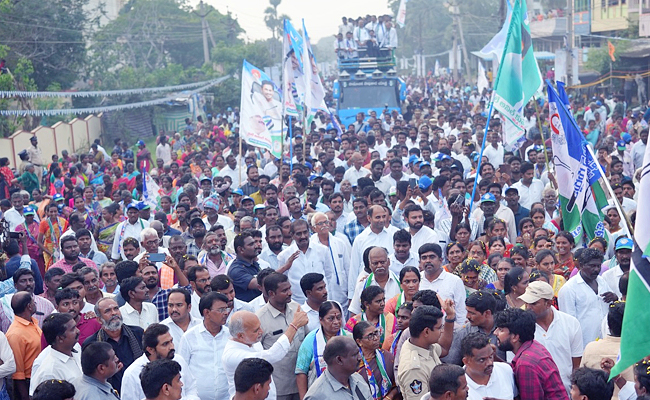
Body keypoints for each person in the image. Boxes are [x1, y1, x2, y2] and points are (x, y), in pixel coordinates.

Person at [222, 307, 309, 400]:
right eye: (256, 330)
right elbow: (272, 355)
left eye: (260, 327)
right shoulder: (231, 355)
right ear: (240, 335)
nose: (261, 331)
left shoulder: (252, 342)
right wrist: (294, 325)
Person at [520, 280, 583, 392]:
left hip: (565, 391)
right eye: (526, 303)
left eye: (533, 303)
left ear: (548, 303)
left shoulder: (571, 323)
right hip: (533, 391)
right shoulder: (519, 327)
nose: (528, 307)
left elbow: (576, 364)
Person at [493, 308, 568, 400]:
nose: (495, 332)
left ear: (515, 337)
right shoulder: (533, 346)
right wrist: (495, 359)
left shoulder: (526, 364)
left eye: (501, 330)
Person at [255, 273, 308, 400]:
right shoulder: (259, 319)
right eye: (285, 290)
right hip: (279, 388)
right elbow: (259, 356)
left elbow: (307, 339)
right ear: (271, 293)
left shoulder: (297, 308)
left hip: (302, 382)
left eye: (289, 288)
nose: (290, 293)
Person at [121, 324, 198, 400]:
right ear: (150, 349)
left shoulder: (178, 360)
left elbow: (191, 388)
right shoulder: (132, 374)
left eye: (171, 341)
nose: (172, 347)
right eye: (165, 344)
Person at [83, 298, 145, 392]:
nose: (114, 313)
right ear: (99, 320)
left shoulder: (138, 333)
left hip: (140, 389)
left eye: (116, 309)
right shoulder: (91, 344)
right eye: (108, 311)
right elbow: (90, 378)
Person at [558, 248, 617, 347]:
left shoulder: (602, 282)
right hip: (584, 345)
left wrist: (615, 298)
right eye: (592, 266)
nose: (596, 269)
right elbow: (568, 324)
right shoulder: (569, 289)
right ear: (581, 265)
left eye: (598, 266)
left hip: (606, 341)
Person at [178, 292, 231, 400]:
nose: (226, 313)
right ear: (206, 313)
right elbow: (181, 370)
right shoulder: (189, 337)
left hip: (227, 396)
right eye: (221, 310)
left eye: (226, 309)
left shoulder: (231, 335)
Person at [398, 304, 456, 400]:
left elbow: (443, 348)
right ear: (426, 332)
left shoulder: (424, 345)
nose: (442, 331)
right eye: (439, 328)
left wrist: (450, 318)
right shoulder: (414, 369)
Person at [277, 220, 333, 305]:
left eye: (305, 232)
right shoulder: (284, 255)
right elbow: (283, 281)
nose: (303, 236)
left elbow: (328, 275)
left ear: (309, 232)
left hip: (321, 302)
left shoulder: (322, 250)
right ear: (292, 235)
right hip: (297, 303)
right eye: (299, 234)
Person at [303, 336, 372, 400]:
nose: (360, 358)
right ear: (339, 360)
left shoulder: (358, 379)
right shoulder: (317, 395)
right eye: (354, 355)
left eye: (359, 353)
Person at [29, 313, 81, 396]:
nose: (78, 331)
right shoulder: (49, 371)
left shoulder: (76, 348)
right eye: (73, 329)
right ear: (60, 338)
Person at [348, 205, 393, 299]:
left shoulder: (393, 235)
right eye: (378, 217)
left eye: (383, 216)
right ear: (369, 218)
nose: (381, 220)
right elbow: (354, 268)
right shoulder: (360, 239)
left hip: (390, 285)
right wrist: (351, 296)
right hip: (367, 286)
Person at [418, 243, 467, 325]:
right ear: (420, 261)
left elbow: (461, 312)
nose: (428, 261)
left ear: (441, 260)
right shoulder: (416, 279)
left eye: (432, 257)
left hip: (448, 330)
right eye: (424, 258)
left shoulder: (455, 281)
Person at [309, 212, 350, 312]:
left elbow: (348, 268)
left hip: (341, 292)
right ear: (314, 228)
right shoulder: (311, 245)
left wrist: (350, 293)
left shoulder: (340, 243)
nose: (324, 225)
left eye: (325, 222)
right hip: (321, 293)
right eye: (320, 224)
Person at [6, 291, 42, 400]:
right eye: (33, 302)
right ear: (29, 306)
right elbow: (17, 373)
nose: (35, 303)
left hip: (39, 377)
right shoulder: (15, 334)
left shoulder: (32, 323)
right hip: (28, 384)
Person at [461, 331, 517, 400]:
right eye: (482, 360)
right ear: (466, 361)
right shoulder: (459, 385)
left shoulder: (505, 370)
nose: (490, 363)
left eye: (491, 356)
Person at [352, 320, 399, 400]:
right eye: (370, 336)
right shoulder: (354, 363)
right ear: (359, 342)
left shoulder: (387, 357)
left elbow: (399, 384)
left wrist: (389, 396)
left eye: (376, 333)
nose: (376, 338)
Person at [229, 231, 263, 302]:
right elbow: (259, 283)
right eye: (251, 244)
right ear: (241, 249)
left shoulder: (254, 264)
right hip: (245, 310)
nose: (256, 246)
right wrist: (285, 267)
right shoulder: (236, 270)